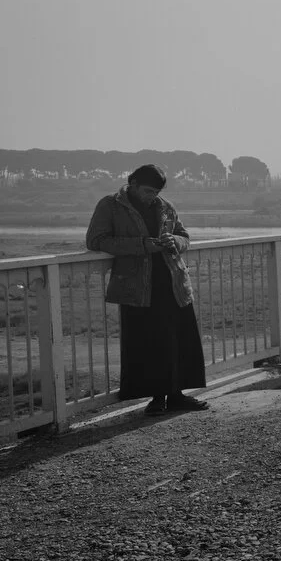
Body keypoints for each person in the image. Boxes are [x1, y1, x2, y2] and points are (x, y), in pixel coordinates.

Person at [85, 164, 210, 416]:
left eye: (155, 192)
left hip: (172, 281)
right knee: (148, 342)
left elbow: (184, 235)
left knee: (178, 339)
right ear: (132, 183)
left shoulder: (165, 206)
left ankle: (176, 396)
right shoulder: (110, 205)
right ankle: (156, 400)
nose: (151, 196)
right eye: (147, 191)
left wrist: (174, 241)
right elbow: (96, 240)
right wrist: (143, 245)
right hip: (137, 285)